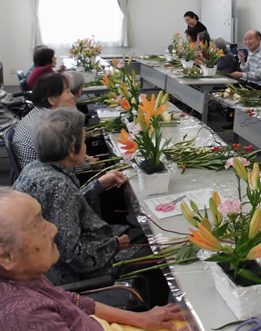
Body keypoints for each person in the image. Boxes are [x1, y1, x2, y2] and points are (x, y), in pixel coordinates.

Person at [0, 187, 191, 331]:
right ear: (5, 255)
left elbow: (71, 302)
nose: (53, 228)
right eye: (37, 224)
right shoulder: (22, 316)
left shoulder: (8, 271)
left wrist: (142, 319)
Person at [12, 108, 165, 291]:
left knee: (148, 235)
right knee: (159, 254)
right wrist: (114, 244)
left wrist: (97, 185)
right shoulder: (58, 186)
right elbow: (74, 256)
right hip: (70, 269)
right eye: (84, 141)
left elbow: (63, 213)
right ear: (71, 150)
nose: (86, 148)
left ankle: (138, 298)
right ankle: (143, 310)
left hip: (67, 253)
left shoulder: (37, 168)